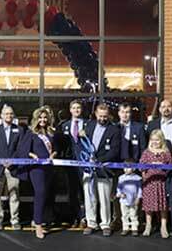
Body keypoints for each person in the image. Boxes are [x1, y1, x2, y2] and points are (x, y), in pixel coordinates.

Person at [17, 106, 58, 239]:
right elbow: (22, 150)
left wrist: (54, 154)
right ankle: (38, 225)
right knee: (40, 193)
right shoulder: (31, 133)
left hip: (49, 168)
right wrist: (32, 155)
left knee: (44, 195)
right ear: (36, 119)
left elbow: (56, 148)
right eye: (40, 117)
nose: (43, 119)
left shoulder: (51, 132)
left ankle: (37, 220)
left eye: (45, 117)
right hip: (36, 169)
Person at [81, 103, 121, 237]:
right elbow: (83, 145)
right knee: (89, 198)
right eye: (100, 116)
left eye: (105, 116)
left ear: (108, 115)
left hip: (104, 170)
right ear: (96, 114)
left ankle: (105, 224)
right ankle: (91, 223)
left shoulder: (114, 130)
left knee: (104, 199)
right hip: (88, 169)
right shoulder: (89, 126)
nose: (103, 118)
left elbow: (115, 151)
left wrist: (99, 161)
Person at [0, 105, 22, 230]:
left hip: (13, 167)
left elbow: (19, 148)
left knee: (14, 194)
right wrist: (2, 161)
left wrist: (11, 161)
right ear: (1, 116)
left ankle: (15, 220)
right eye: (6, 114)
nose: (9, 116)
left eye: (11, 114)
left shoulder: (19, 130)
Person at [57, 99, 86, 226]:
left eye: (78, 108)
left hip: (85, 163)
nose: (76, 110)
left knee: (85, 191)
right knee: (72, 192)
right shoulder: (64, 125)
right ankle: (74, 217)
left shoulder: (88, 124)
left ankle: (84, 218)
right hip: (70, 164)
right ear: (70, 110)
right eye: (74, 108)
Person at [140, 129, 172, 238]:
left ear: (161, 140)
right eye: (152, 140)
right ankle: (148, 225)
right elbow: (141, 165)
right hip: (149, 183)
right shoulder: (146, 152)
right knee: (149, 206)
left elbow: (170, 165)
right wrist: (144, 173)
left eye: (157, 140)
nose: (155, 142)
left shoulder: (166, 152)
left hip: (161, 183)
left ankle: (164, 227)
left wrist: (162, 168)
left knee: (163, 206)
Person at [115, 161, 142, 236]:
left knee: (134, 215)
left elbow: (140, 189)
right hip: (124, 200)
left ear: (133, 168)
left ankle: (134, 228)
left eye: (128, 167)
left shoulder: (137, 178)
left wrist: (138, 198)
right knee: (124, 215)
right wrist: (120, 194)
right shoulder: (121, 177)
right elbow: (118, 188)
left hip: (133, 200)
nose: (126, 169)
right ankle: (125, 228)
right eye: (125, 167)